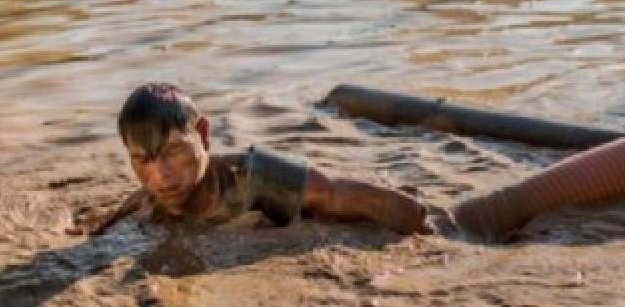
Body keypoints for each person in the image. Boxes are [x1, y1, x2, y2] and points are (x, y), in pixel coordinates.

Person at [85, 83, 428, 236]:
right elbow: (134, 201)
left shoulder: (257, 180)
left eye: (173, 152)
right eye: (143, 161)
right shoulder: (151, 197)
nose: (159, 176)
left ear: (203, 135)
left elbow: (350, 197)